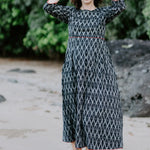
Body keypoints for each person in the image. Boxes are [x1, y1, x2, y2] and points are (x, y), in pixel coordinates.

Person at [43, 0, 126, 149]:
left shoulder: (103, 14)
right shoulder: (71, 13)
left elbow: (120, 6)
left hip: (99, 71)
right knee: (74, 110)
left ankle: (96, 144)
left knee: (101, 107)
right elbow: (49, 7)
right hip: (74, 71)